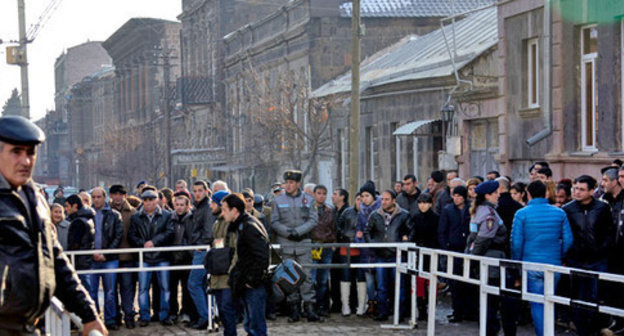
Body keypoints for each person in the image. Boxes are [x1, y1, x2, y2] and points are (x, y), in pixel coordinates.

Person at [0, 116, 107, 335]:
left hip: (25, 326)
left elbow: (55, 260)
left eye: (30, 153)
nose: (26, 161)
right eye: (16, 152)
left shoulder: (35, 199)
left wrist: (88, 315)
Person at [511, 180, 573, 336]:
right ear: (546, 193)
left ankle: (543, 333)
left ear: (528, 194)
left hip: (531, 264)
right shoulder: (559, 213)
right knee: (550, 302)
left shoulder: (521, 214)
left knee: (538, 304)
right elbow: (568, 240)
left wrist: (517, 264)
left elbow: (516, 243)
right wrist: (562, 256)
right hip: (554, 263)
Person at [562, 175, 615, 336]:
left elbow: (609, 232)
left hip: (598, 260)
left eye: (582, 189)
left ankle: (594, 330)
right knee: (577, 298)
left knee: (596, 297)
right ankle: (581, 330)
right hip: (576, 260)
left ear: (592, 191)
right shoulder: (568, 209)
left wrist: (603, 249)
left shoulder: (602, 208)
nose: (577, 192)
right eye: (575, 188)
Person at [270, 170, 323, 322]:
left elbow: (313, 220)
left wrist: (298, 232)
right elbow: (274, 221)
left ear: (298, 184)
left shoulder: (308, 199)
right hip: (286, 243)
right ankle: (294, 309)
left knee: (306, 276)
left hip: (303, 242)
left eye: (291, 183)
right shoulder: (278, 200)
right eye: (286, 182)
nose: (288, 185)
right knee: (289, 277)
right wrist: (288, 232)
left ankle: (309, 307)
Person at [223, 193, 270, 336]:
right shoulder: (242, 225)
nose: (223, 213)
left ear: (234, 210)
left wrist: (252, 280)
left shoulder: (248, 226)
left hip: (253, 284)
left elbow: (262, 256)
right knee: (250, 324)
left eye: (225, 209)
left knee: (256, 326)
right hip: (246, 281)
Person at [128, 189, 175, 326]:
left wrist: (154, 242)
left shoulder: (166, 215)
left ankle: (164, 315)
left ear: (157, 200)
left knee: (165, 287)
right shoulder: (136, 217)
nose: (149, 202)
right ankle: (144, 316)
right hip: (144, 257)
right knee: (143, 288)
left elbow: (170, 232)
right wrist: (143, 244)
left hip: (161, 256)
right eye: (146, 199)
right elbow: (132, 235)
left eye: (152, 199)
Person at [466, 180, 507, 336]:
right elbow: (483, 240)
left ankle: (488, 327)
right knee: (490, 299)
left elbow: (473, 239)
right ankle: (490, 329)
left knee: (487, 298)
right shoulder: (488, 214)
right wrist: (473, 260)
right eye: (496, 193)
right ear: (488, 195)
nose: (498, 195)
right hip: (490, 259)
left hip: (486, 258)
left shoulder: (479, 211)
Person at [365, 190, 410, 321]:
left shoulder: (403, 215)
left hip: (398, 254)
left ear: (394, 200)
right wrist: (373, 244)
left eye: (387, 199)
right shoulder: (375, 215)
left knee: (399, 285)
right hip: (381, 254)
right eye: (382, 199)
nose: (383, 202)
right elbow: (368, 231)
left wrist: (404, 242)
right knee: (381, 286)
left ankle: (400, 313)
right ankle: (383, 311)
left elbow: (410, 230)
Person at [89, 187, 123, 330]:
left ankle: (110, 319)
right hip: (91, 259)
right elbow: (84, 237)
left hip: (110, 259)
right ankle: (94, 320)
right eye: (94, 197)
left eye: (99, 197)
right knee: (92, 291)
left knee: (110, 291)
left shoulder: (114, 215)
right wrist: (91, 253)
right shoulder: (87, 215)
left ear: (104, 198)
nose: (96, 200)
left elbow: (118, 236)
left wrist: (106, 254)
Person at [438, 186, 473, 323]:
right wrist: (445, 246)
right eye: (454, 195)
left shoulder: (471, 208)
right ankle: (457, 311)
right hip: (453, 249)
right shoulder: (448, 210)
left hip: (468, 249)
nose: (456, 198)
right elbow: (442, 230)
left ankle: (469, 311)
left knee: (469, 283)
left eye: (459, 196)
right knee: (454, 283)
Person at [208, 190, 239, 336]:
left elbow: (235, 250)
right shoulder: (216, 224)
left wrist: (232, 271)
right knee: (222, 309)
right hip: (218, 275)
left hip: (228, 275)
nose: (211, 206)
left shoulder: (231, 224)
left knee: (227, 308)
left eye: (213, 203)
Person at [109, 184, 139, 329]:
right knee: (111, 289)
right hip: (112, 257)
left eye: (120, 194)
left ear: (125, 196)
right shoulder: (106, 211)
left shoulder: (132, 212)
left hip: (128, 256)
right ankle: (115, 317)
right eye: (114, 194)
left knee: (128, 288)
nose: (117, 197)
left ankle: (129, 315)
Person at [333, 189, 366, 316]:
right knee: (345, 277)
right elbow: (338, 226)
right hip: (346, 249)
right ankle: (345, 306)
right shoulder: (347, 212)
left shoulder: (368, 214)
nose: (360, 201)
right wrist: (347, 236)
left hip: (362, 251)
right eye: (358, 199)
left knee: (361, 278)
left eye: (363, 199)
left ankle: (361, 306)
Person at [187, 180, 215, 329]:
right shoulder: (199, 207)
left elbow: (209, 233)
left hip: (203, 250)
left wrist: (199, 244)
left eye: (200, 190)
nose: (197, 193)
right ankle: (207, 315)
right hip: (200, 248)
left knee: (194, 283)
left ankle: (206, 316)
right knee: (201, 284)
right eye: (195, 190)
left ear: (206, 191)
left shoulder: (207, 207)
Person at [408, 193, 439, 320]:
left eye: (425, 203)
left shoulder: (436, 218)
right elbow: (413, 233)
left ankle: (430, 306)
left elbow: (438, 235)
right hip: (419, 252)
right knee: (419, 282)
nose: (422, 205)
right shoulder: (415, 217)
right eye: (420, 203)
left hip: (432, 252)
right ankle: (421, 309)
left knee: (431, 281)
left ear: (430, 204)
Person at [169, 192, 196, 324]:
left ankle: (186, 312)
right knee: (172, 288)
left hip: (186, 257)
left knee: (186, 288)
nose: (179, 207)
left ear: (187, 206)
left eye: (182, 205)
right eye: (177, 205)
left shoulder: (192, 219)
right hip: (173, 258)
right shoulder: (170, 218)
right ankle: (173, 312)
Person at [309, 185, 336, 316]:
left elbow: (333, 228)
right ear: (314, 194)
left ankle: (321, 306)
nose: (321, 196)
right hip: (312, 246)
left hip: (326, 246)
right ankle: (310, 306)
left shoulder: (330, 210)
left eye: (324, 193)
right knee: (311, 279)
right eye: (319, 193)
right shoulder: (308, 209)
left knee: (323, 279)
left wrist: (333, 242)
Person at [356, 181, 381, 317]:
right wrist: (359, 238)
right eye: (362, 196)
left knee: (381, 280)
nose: (364, 199)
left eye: (367, 195)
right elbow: (358, 230)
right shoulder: (361, 212)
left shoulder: (380, 210)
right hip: (365, 252)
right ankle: (371, 303)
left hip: (379, 251)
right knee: (369, 281)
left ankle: (382, 303)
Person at [65, 195, 96, 296]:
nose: (65, 209)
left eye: (67, 206)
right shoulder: (87, 218)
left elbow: (74, 244)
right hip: (85, 260)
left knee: (84, 292)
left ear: (75, 206)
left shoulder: (78, 222)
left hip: (79, 261)